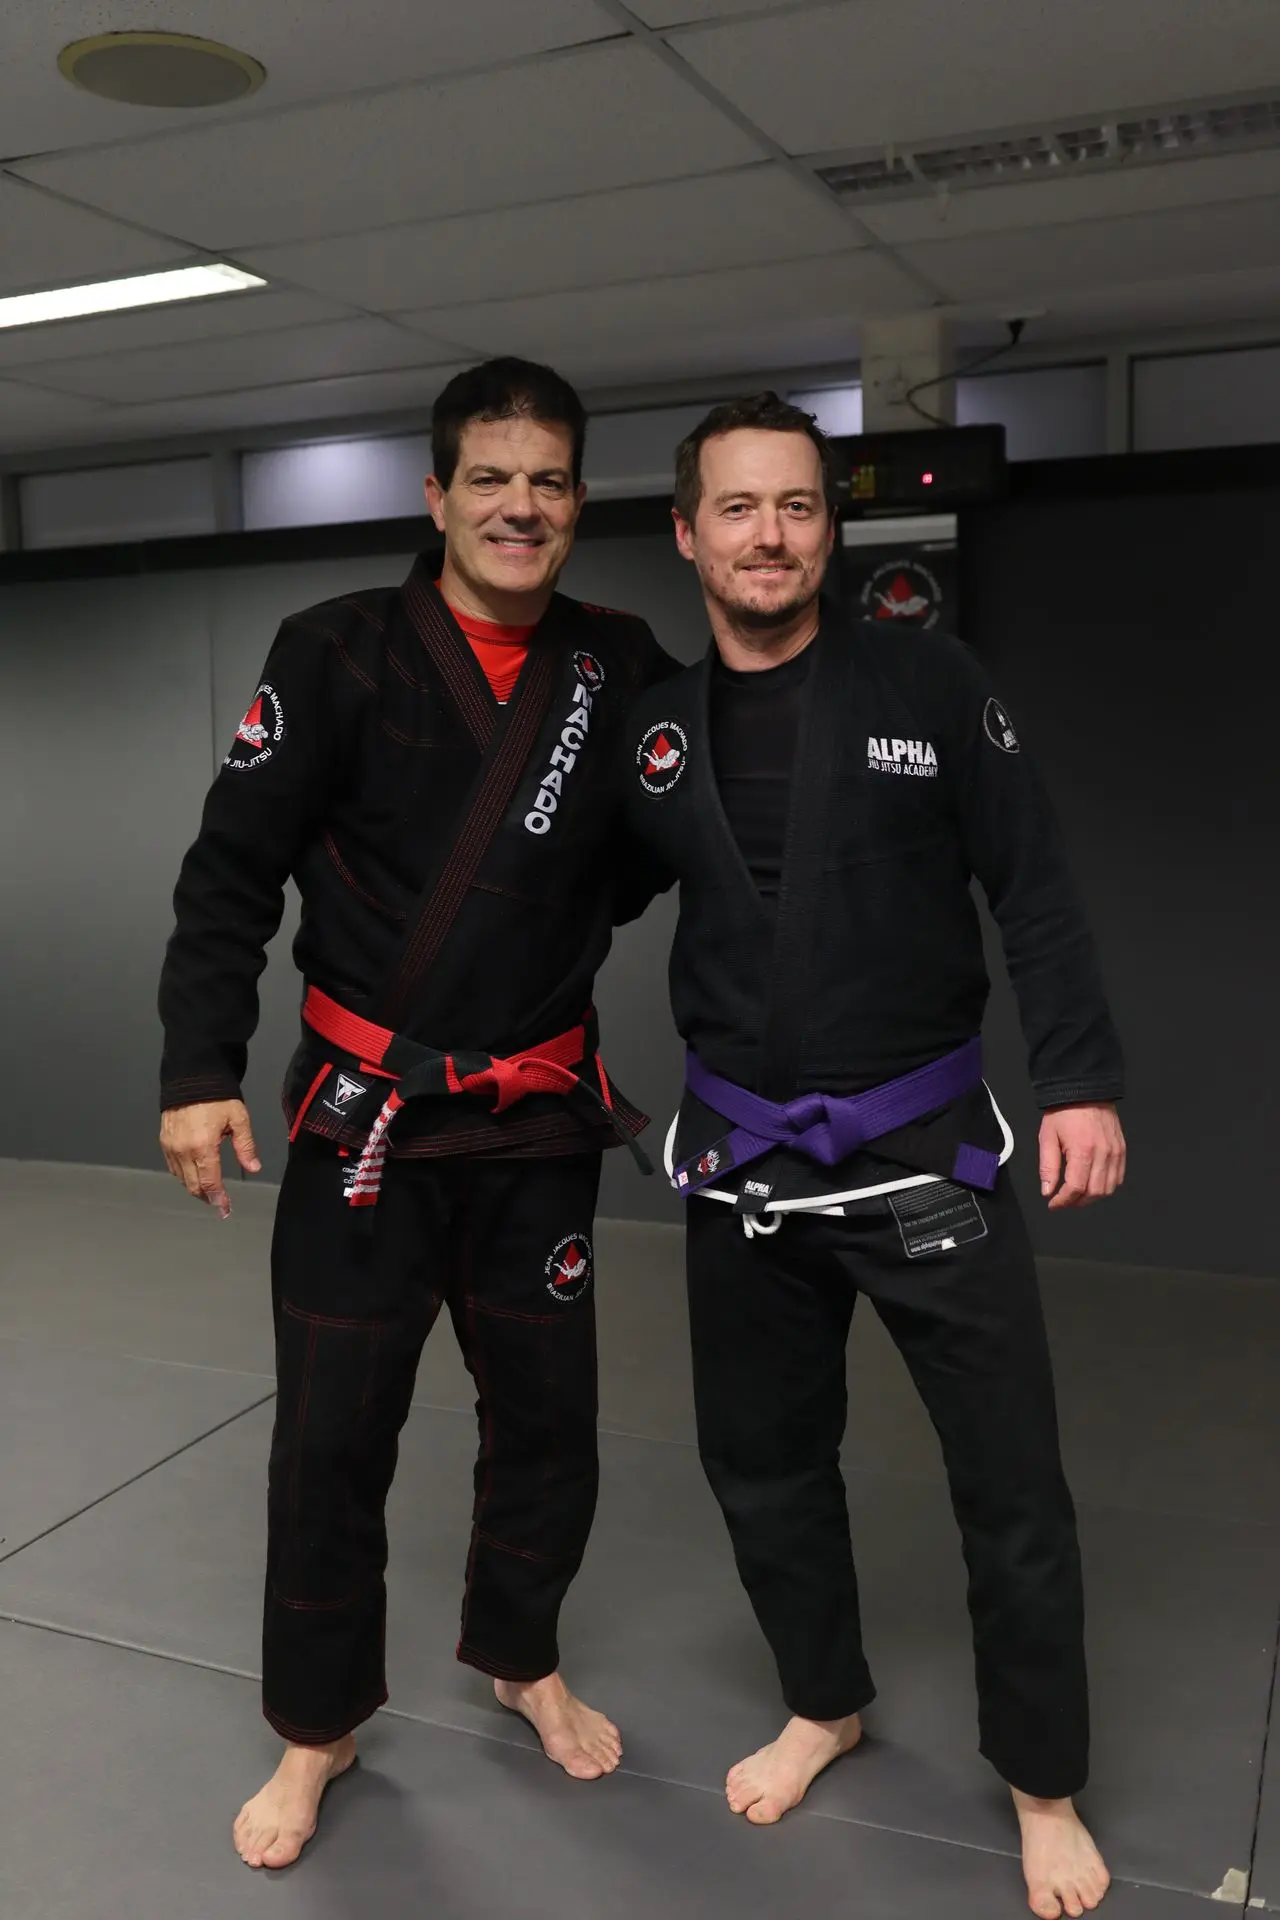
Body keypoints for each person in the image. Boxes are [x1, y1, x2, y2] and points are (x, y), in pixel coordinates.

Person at [157, 357, 676, 1870]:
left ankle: (520, 1651)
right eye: (494, 478)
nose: (524, 506)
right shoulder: (333, 652)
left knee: (553, 1424)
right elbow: (229, 873)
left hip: (532, 1120)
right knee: (330, 1441)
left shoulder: (620, 663)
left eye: (554, 481)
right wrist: (199, 1068)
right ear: (436, 494)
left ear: (581, 501)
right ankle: (318, 1730)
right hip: (364, 1122)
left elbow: (647, 855)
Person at [621, 394, 1125, 1920]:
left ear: (827, 529)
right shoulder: (657, 736)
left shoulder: (926, 677)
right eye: (740, 508)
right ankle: (825, 1700)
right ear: (689, 532)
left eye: (798, 507)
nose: (771, 535)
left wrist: (1084, 1083)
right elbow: (561, 909)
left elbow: (1031, 887)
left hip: (926, 1162)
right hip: (747, 1177)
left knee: (1010, 1486)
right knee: (765, 1469)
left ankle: (1043, 1785)